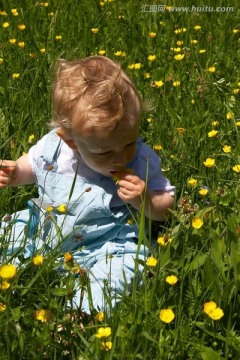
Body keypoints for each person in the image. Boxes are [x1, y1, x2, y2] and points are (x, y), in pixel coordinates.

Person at [0, 55, 175, 314]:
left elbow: (167, 206)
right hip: (46, 229)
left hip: (108, 243)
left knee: (123, 270)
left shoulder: (141, 160)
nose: (121, 157)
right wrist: (16, 173)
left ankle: (78, 315)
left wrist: (145, 199)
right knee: (8, 234)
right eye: (104, 153)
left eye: (128, 143)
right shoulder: (55, 149)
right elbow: (32, 166)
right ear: (70, 141)